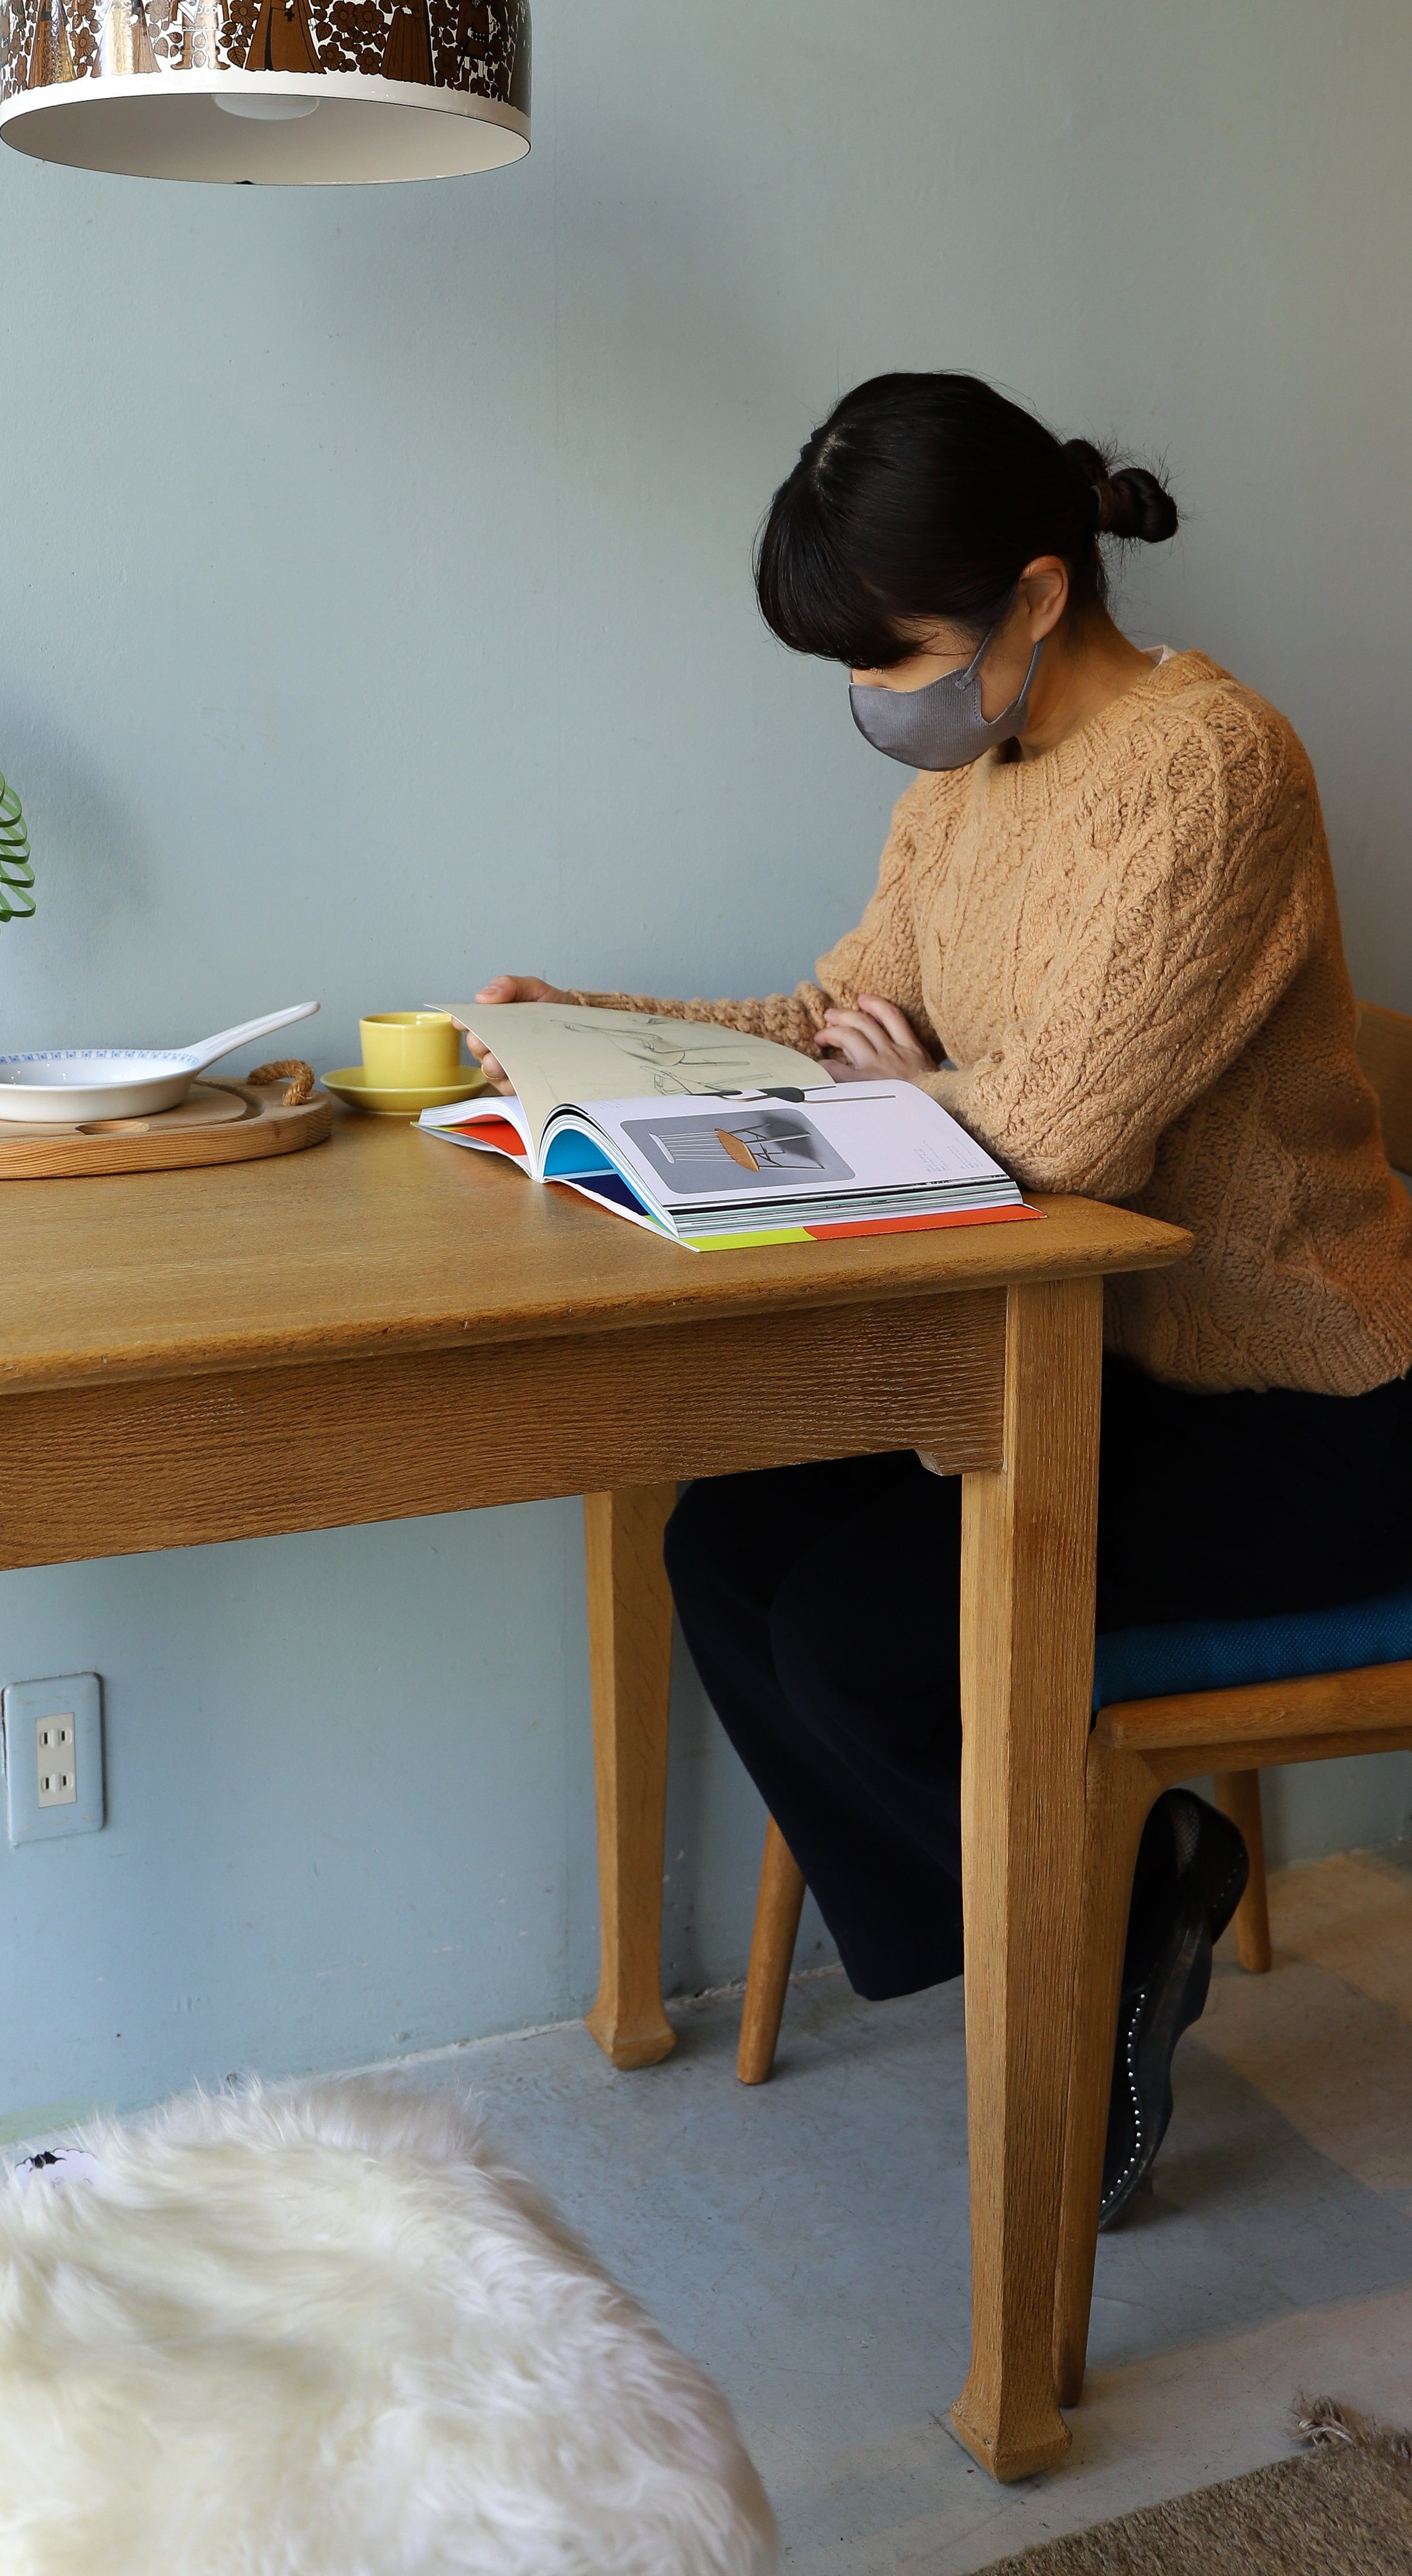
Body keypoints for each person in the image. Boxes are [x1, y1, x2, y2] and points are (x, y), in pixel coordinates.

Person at [468, 372, 1412, 2223]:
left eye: (893, 653)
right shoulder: (974, 781)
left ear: (1039, 597)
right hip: (1085, 1365)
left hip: (1302, 1406)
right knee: (725, 1551)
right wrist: (581, 1031)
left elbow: (1057, 1123)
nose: (874, 699)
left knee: (852, 1638)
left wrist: (902, 1087)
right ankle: (1105, 1918)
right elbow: (840, 1018)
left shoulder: (1216, 769)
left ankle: (1104, 1926)